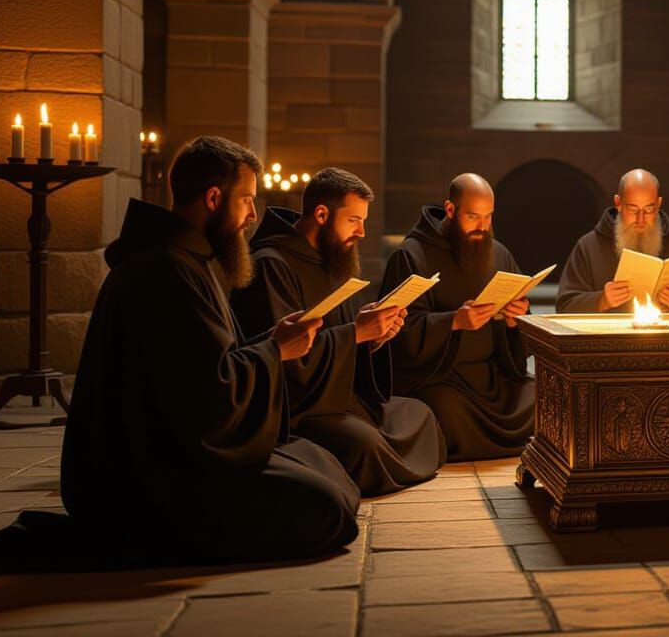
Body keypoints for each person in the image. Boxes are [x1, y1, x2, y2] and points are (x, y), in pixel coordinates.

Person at [60, 136, 359, 563]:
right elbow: (205, 397)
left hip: (180, 452)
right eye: (247, 202)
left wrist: (272, 344)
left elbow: (207, 366)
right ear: (214, 198)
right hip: (157, 476)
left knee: (326, 465)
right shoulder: (166, 271)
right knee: (327, 508)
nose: (254, 216)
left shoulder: (188, 261)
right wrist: (275, 351)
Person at [231, 168, 445, 496]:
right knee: (366, 445)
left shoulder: (333, 260)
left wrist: (374, 339)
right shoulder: (272, 264)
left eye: (364, 221)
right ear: (321, 214)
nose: (361, 232)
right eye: (353, 220)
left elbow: (347, 337)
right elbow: (286, 362)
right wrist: (355, 335)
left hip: (341, 394)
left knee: (421, 414)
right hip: (304, 410)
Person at [381, 173, 533, 460]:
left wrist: (516, 320)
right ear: (450, 210)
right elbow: (400, 331)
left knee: (540, 397)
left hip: (492, 377)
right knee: (443, 411)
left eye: (488, 217)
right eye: (474, 216)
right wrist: (454, 321)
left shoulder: (499, 254)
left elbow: (520, 340)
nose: (483, 226)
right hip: (441, 379)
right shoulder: (412, 255)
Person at [557, 168, 669, 313]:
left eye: (648, 209)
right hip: (607, 344)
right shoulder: (588, 247)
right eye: (633, 209)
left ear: (658, 204)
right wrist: (600, 301)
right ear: (618, 203)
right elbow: (565, 305)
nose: (641, 219)